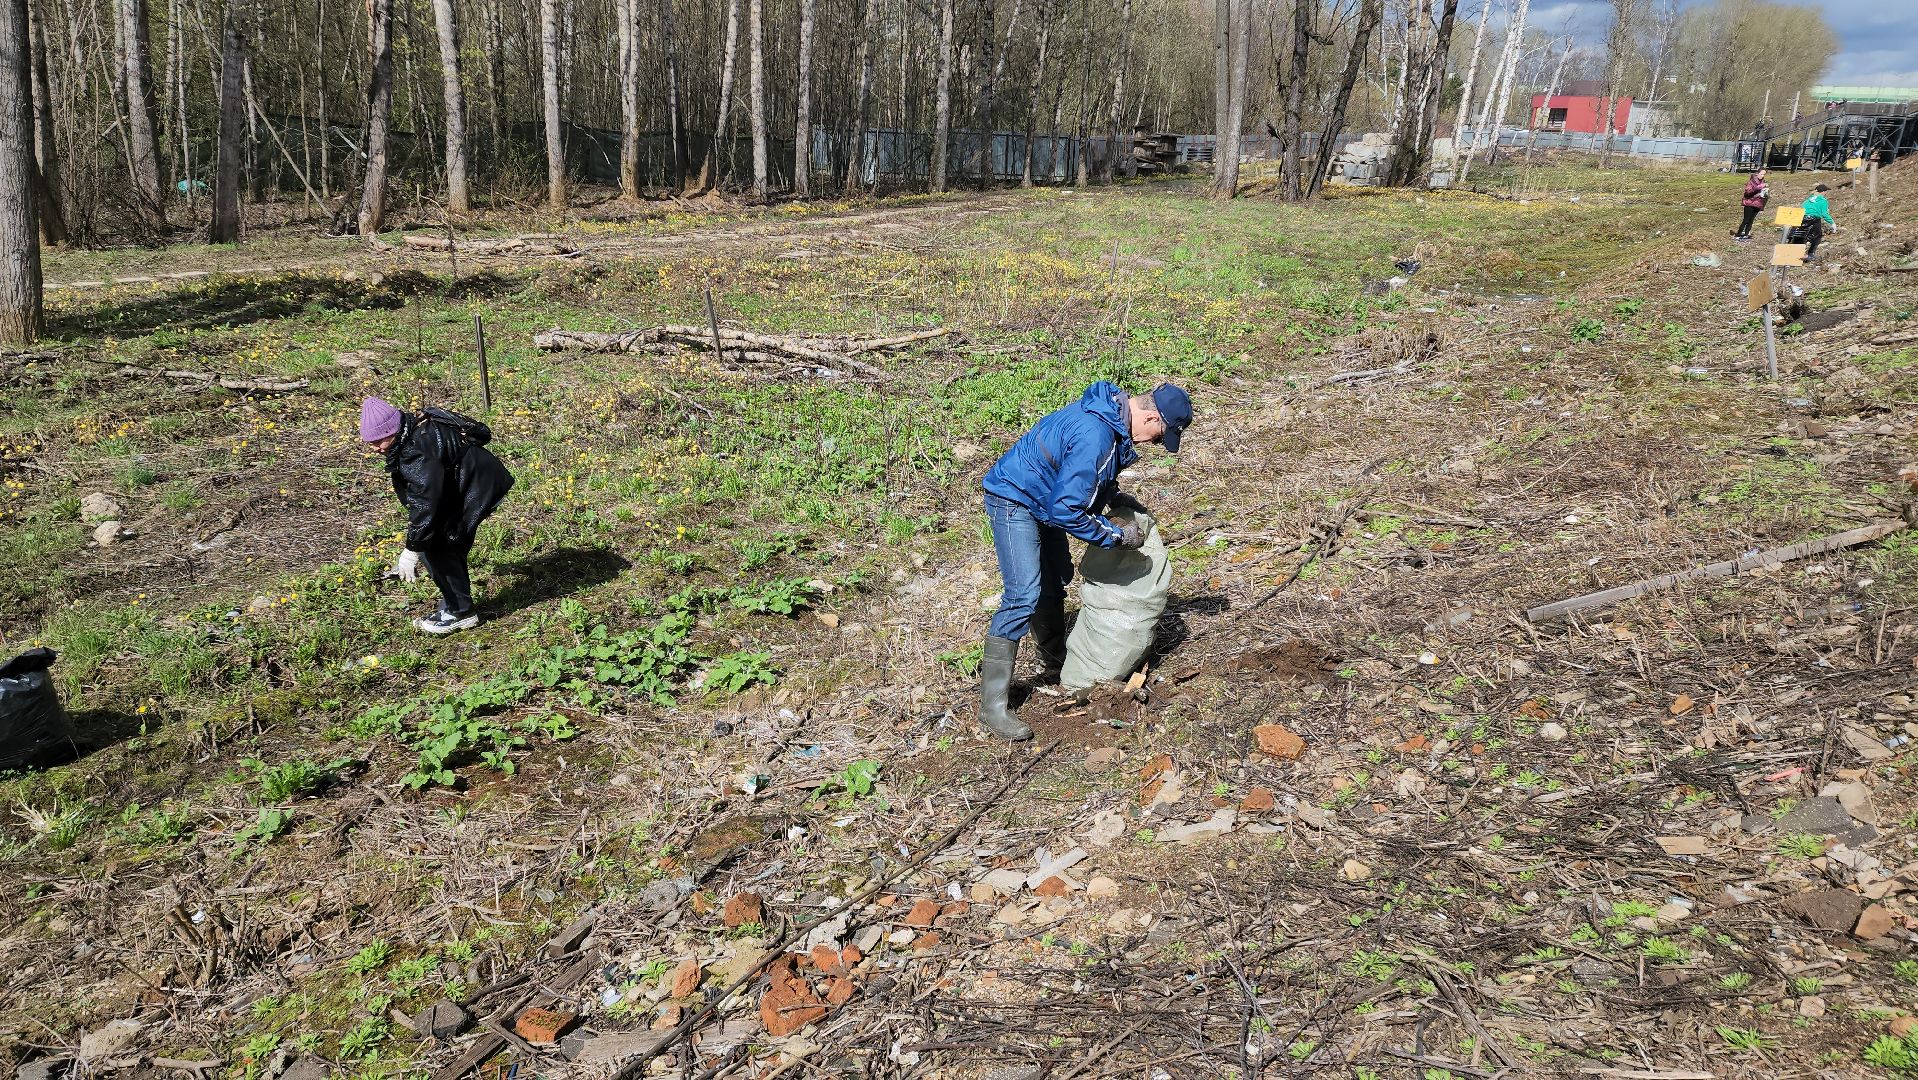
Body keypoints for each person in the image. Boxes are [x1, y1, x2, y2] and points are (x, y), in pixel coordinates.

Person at [973, 381, 1193, 741]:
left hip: (1043, 498)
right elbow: (1067, 510)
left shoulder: (1113, 423)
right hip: (1015, 498)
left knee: (1056, 577)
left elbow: (1083, 478)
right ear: (1152, 416)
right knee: (1022, 595)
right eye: (1159, 435)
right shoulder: (1098, 435)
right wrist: (1116, 536)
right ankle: (992, 706)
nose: (1155, 443)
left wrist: (1113, 496)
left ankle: (1055, 657)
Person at [359, 397, 515, 635]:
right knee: (446, 543)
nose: (377, 448)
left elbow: (426, 503)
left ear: (394, 428)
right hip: (479, 480)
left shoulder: (413, 450)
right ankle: (454, 603)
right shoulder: (415, 427)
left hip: (478, 488)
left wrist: (412, 548)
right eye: (371, 443)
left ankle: (461, 612)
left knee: (437, 546)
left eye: (381, 439)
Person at [1800, 182, 1836, 260]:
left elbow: (1802, 207)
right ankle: (1811, 254)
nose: (1826, 193)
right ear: (1823, 192)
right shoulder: (1823, 201)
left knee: (1802, 235)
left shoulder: (1809, 199)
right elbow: (1824, 214)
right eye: (1826, 191)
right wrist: (1832, 222)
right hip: (1814, 218)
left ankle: (1799, 252)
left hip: (1803, 218)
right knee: (1818, 236)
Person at [1732, 169, 1767, 241]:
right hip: (1749, 203)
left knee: (1751, 221)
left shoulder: (1763, 182)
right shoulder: (1751, 182)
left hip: (1758, 204)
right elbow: (1748, 192)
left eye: (1764, 174)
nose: (1763, 176)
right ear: (1757, 173)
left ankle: (1746, 234)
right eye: (1761, 174)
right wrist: (1760, 187)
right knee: (1746, 220)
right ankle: (1738, 235)